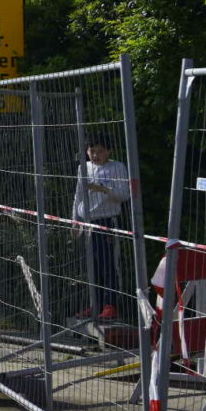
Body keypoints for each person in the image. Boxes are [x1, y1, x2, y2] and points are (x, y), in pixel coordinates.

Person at [73, 138, 138, 323]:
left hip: (107, 223)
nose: (95, 155)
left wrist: (103, 189)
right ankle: (95, 304)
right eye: (91, 151)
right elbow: (78, 195)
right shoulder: (83, 168)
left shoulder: (117, 168)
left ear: (109, 151)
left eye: (100, 151)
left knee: (108, 264)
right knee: (91, 266)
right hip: (87, 223)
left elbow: (124, 195)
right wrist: (74, 220)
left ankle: (111, 306)